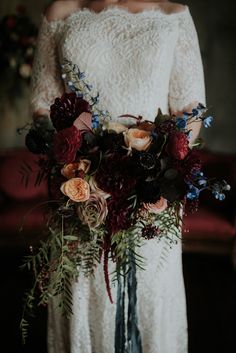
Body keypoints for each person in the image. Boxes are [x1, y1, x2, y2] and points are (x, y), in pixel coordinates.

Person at [30, 0, 206, 352]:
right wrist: (85, 165)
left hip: (152, 192)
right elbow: (41, 106)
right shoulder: (60, 14)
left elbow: (191, 109)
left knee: (149, 298)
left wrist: (156, 163)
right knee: (85, 295)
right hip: (81, 191)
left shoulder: (173, 14)